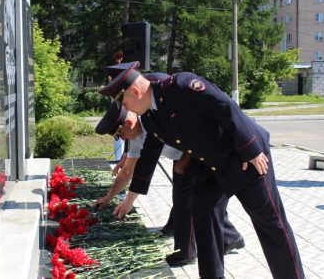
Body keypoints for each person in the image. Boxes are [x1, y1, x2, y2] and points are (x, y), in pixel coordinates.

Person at [97, 61, 305, 279]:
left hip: (244, 157)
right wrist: (129, 200)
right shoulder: (150, 117)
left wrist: (250, 150)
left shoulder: (181, 86)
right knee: (203, 211)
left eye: (125, 102)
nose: (126, 109)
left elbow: (226, 107)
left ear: (135, 91)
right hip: (211, 164)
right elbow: (147, 156)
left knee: (270, 224)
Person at [93, 100, 245, 267]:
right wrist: (109, 197)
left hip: (199, 152)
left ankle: (185, 253)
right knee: (190, 199)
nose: (122, 139)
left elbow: (195, 131)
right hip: (181, 157)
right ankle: (230, 238)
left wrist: (186, 158)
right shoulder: (135, 134)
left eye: (120, 135)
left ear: (128, 123)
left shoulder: (157, 114)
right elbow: (129, 171)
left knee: (185, 201)